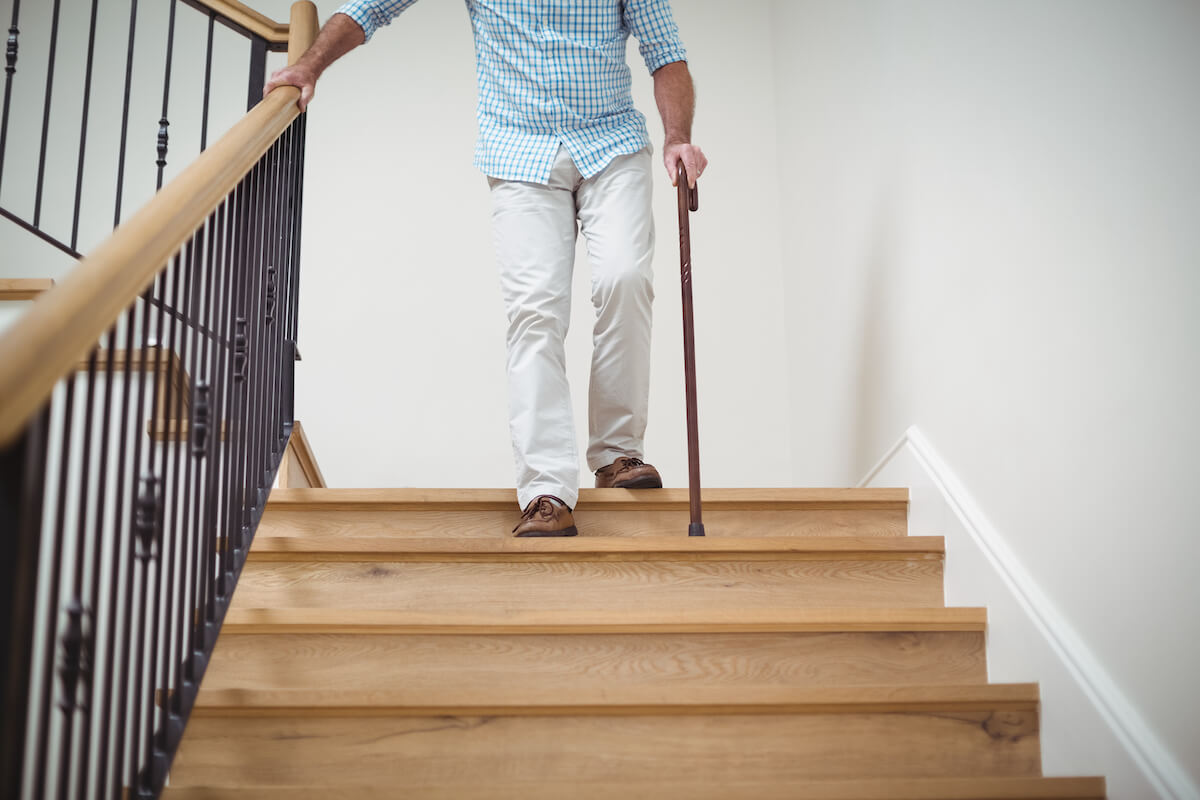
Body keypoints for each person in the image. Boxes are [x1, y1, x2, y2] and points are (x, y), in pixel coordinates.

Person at [265, 0, 707, 537]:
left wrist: (677, 136)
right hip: (518, 152)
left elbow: (666, 53)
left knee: (626, 279)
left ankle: (618, 455)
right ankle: (546, 489)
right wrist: (309, 66)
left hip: (611, 144)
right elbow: (371, 8)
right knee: (535, 311)